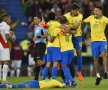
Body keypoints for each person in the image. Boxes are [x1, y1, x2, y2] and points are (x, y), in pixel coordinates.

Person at [83, 6, 108, 85]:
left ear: (100, 12)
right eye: (94, 11)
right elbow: (83, 22)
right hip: (94, 42)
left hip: (102, 41)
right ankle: (98, 75)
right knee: (95, 59)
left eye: (96, 11)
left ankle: (106, 72)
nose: (95, 12)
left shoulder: (104, 19)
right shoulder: (91, 18)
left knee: (104, 54)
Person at [64, 3, 83, 81]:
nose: (78, 12)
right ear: (72, 10)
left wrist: (68, 26)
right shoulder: (66, 16)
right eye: (76, 10)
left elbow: (76, 27)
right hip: (69, 36)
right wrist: (67, 27)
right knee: (69, 53)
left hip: (78, 37)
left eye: (78, 10)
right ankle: (67, 70)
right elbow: (62, 25)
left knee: (79, 52)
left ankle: (79, 71)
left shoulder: (80, 16)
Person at [42, 12, 61, 80]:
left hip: (49, 46)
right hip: (55, 46)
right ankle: (53, 79)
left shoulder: (47, 24)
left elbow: (43, 32)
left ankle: (43, 79)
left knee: (48, 64)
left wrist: (47, 37)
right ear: (54, 17)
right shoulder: (56, 23)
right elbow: (62, 27)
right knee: (55, 64)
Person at [58, 16, 77, 87]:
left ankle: (72, 81)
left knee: (63, 67)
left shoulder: (59, 29)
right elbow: (74, 31)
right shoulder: (69, 28)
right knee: (67, 67)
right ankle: (67, 83)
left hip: (64, 50)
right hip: (71, 50)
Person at [33, 16, 47, 80]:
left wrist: (37, 37)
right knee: (37, 62)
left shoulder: (43, 25)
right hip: (37, 44)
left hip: (41, 44)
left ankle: (50, 76)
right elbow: (36, 38)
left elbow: (45, 35)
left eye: (35, 19)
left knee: (39, 62)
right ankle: (36, 79)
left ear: (39, 19)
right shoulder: (37, 27)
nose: (34, 20)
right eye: (34, 19)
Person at [0, 14, 11, 83]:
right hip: (4, 45)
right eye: (9, 19)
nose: (10, 20)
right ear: (6, 18)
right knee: (6, 61)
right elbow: (7, 37)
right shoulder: (7, 26)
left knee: (0, 62)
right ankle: (4, 79)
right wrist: (11, 35)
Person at [0, 79, 65, 88]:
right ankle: (5, 85)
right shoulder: (57, 82)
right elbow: (62, 85)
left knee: (18, 86)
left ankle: (3, 85)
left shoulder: (52, 80)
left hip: (35, 82)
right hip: (36, 84)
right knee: (17, 87)